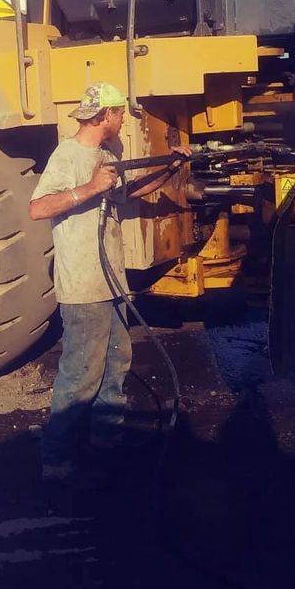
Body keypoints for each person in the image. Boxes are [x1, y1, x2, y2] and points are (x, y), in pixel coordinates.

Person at [29, 82, 190, 484]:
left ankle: (107, 441)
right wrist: (88, 189)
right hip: (84, 286)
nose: (122, 119)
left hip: (113, 282)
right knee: (81, 374)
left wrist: (170, 168)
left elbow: (129, 192)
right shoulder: (67, 155)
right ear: (103, 116)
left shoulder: (110, 154)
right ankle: (57, 459)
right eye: (119, 113)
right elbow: (37, 207)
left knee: (116, 364)